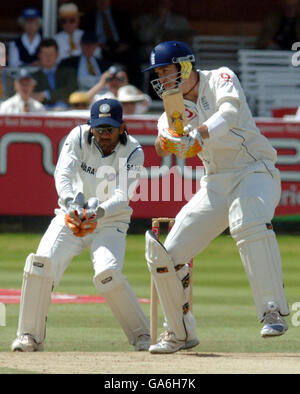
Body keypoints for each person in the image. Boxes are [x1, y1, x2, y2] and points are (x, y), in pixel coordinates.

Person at [143, 40, 290, 354]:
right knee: (166, 256)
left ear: (185, 66)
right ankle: (179, 333)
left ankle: (272, 310)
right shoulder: (174, 106)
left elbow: (229, 112)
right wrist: (170, 142)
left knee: (247, 219)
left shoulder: (220, 76)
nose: (161, 78)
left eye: (165, 71)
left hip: (254, 169)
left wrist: (200, 134)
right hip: (214, 183)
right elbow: (160, 140)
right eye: (158, 73)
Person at [11, 98, 150, 352]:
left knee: (107, 275)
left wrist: (97, 211)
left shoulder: (133, 151)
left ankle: (143, 335)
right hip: (71, 215)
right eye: (99, 128)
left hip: (109, 220)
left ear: (122, 127)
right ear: (91, 125)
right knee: (40, 263)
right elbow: (62, 173)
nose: (104, 135)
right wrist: (70, 202)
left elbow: (121, 196)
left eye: (110, 129)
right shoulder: (78, 136)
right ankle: (29, 336)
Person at [135, 0, 193, 64]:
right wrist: (159, 21)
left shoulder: (180, 20)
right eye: (161, 3)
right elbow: (143, 37)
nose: (164, 5)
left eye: (166, 2)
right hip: (152, 53)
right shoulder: (145, 19)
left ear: (171, 3)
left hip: (175, 52)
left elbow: (188, 39)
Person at [31, 38, 78, 109]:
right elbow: (34, 96)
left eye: (51, 54)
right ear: (39, 56)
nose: (48, 57)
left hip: (67, 111)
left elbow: (71, 90)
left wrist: (46, 95)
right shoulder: (34, 76)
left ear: (57, 55)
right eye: (45, 54)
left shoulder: (69, 72)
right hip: (42, 112)